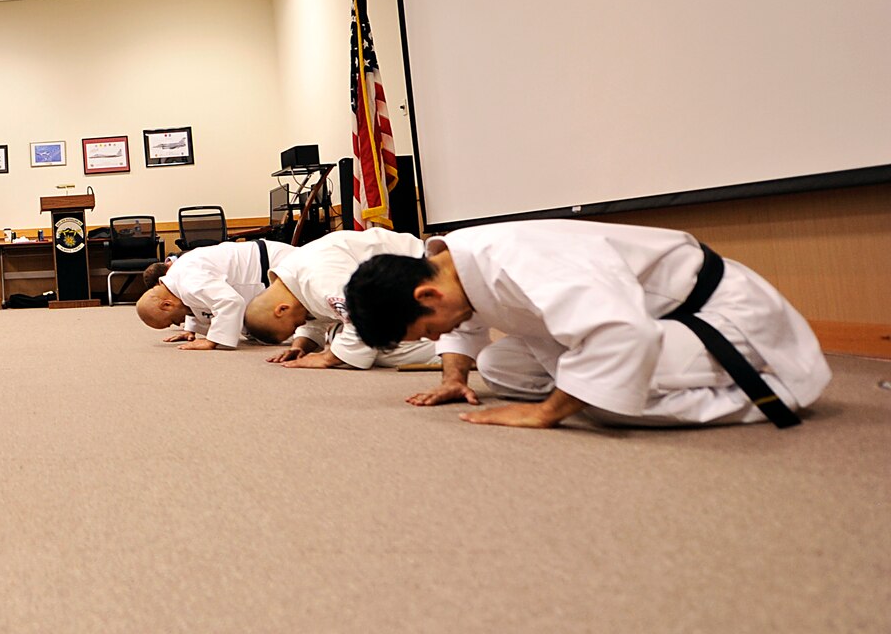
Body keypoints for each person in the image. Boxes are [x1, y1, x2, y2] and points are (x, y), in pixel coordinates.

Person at [342, 220, 831, 430]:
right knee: (499, 365)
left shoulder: (519, 261)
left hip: (716, 316)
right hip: (646, 315)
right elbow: (464, 324)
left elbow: (623, 332)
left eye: (425, 330)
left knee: (607, 405)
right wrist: (454, 378)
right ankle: (603, 382)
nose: (433, 340)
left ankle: (769, 385)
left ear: (426, 294)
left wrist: (547, 413)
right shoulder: (452, 267)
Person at [241, 228, 436, 368]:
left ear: (281, 310)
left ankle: (454, 348)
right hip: (399, 291)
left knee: (383, 352)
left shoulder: (319, 276)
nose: (299, 324)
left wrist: (329, 358)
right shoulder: (293, 278)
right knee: (340, 338)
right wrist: (301, 345)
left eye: (293, 326)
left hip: (429, 281)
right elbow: (314, 312)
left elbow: (365, 315)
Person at [135, 239, 297, 350]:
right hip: (268, 264)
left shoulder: (189, 282)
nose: (177, 324)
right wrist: (191, 329)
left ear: (167, 305)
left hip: (281, 264)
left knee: (306, 314)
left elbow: (231, 302)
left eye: (170, 321)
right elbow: (197, 303)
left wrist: (213, 341)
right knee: (259, 334)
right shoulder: (178, 280)